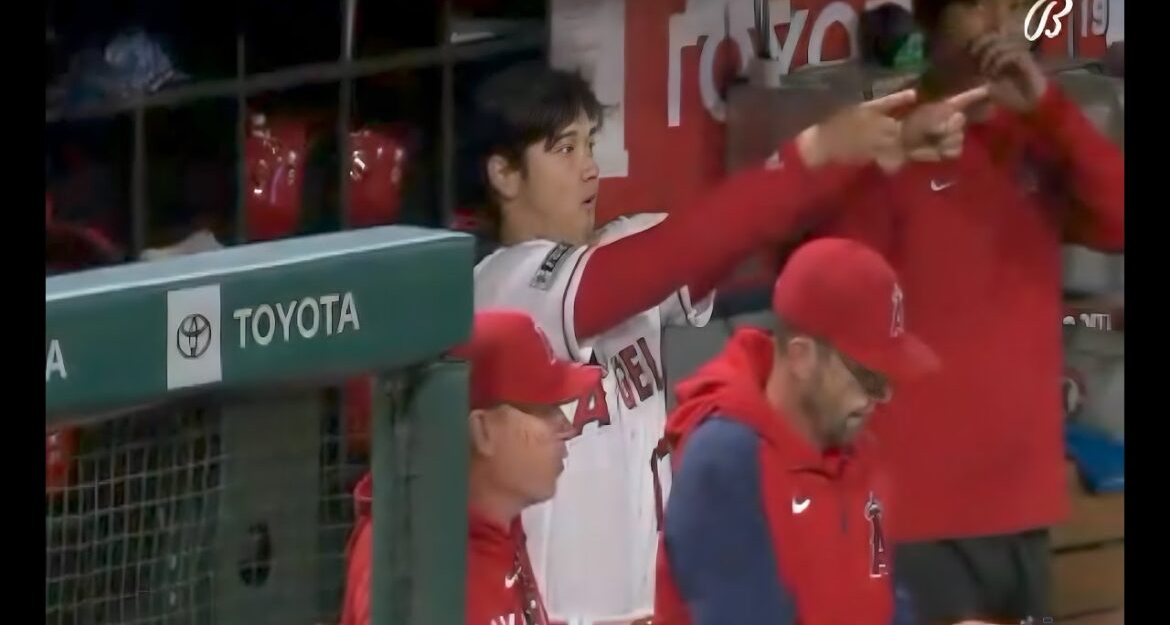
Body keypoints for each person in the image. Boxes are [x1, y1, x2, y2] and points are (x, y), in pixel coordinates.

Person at [469, 62, 985, 624]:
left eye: (590, 144)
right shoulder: (504, 289)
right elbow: (674, 253)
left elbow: (737, 229)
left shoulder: (621, 249)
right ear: (505, 175)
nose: (590, 168)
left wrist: (875, 154)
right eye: (564, 150)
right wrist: (813, 152)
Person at [792, 0, 1125, 622]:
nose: (1000, 30)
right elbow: (829, 292)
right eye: (978, 7)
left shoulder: (1041, 138)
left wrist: (1049, 110)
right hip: (916, 512)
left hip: (1020, 500)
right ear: (929, 17)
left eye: (1015, 7)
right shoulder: (884, 138)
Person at [652, 237, 941, 625]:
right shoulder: (726, 465)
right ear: (802, 356)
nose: (881, 397)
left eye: (887, 379)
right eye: (867, 376)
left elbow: (886, 607)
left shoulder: (860, 453)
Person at [339, 310, 602, 625]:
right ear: (483, 431)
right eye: (545, 410)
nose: (568, 428)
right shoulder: (412, 570)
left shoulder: (495, 518)